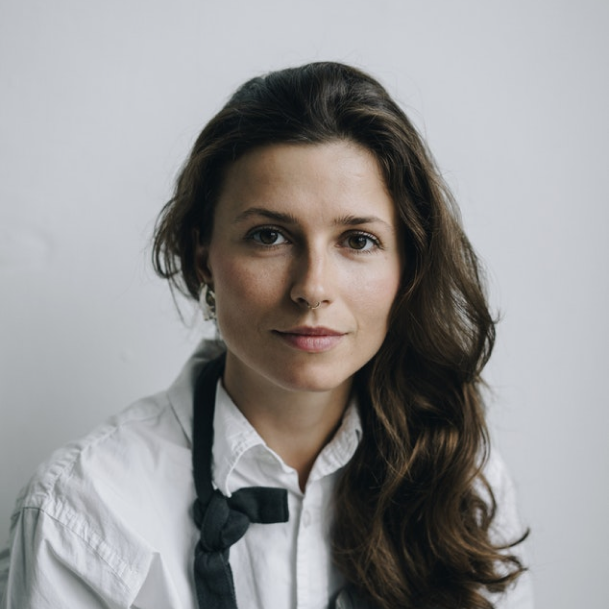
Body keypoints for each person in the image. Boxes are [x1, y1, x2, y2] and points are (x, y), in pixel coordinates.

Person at [0, 62, 533, 609]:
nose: (313, 288)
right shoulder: (84, 512)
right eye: (269, 236)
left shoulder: (462, 480)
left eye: (357, 240)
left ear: (408, 265)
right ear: (203, 254)